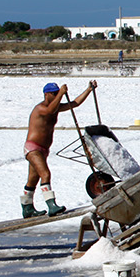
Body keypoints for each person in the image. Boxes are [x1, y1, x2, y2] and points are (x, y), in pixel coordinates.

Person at [22, 80, 97, 217]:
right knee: (45, 174)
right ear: (47, 94)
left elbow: (75, 103)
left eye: (57, 93)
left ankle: (27, 208)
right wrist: (61, 94)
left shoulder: (55, 106)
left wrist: (88, 90)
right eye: (54, 93)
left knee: (33, 179)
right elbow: (50, 110)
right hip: (33, 148)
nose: (57, 95)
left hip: (43, 149)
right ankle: (51, 205)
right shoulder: (41, 108)